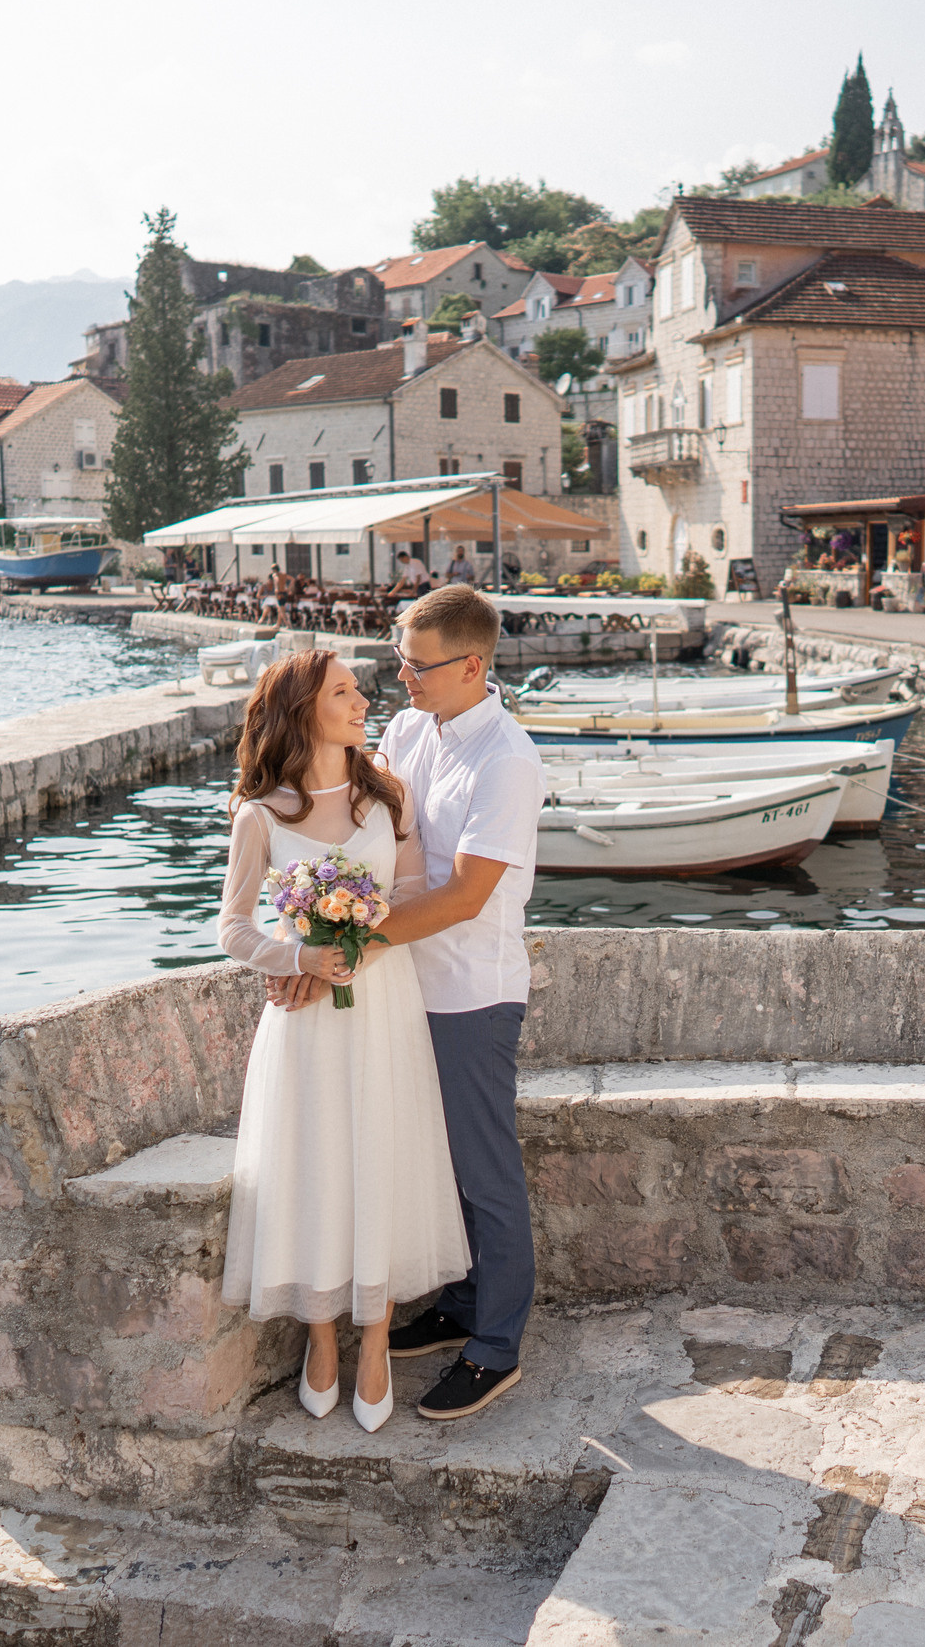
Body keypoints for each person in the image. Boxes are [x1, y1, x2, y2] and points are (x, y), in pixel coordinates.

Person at [272, 584, 544, 1423]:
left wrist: (344, 949)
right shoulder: (404, 731)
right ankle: (459, 1305)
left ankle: (496, 1344)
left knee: (482, 1167)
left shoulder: (508, 759)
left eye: (415, 664)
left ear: (471, 665)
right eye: (397, 659)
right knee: (425, 1157)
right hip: (401, 990)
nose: (401, 676)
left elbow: (464, 895)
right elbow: (359, 833)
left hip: (469, 991)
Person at [216, 650, 471, 1432]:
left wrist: (353, 953)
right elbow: (232, 926)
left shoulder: (388, 796)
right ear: (304, 710)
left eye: (360, 687)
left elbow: (418, 896)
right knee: (316, 1162)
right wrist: (299, 959)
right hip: (303, 1024)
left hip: (382, 1004)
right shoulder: (260, 812)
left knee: (379, 1156)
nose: (365, 699)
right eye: (344, 691)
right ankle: (320, 1335)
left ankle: (372, 1340)